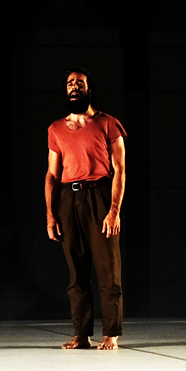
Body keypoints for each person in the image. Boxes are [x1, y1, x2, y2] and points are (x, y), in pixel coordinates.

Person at [44, 69, 127, 350]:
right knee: (76, 273)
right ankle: (81, 335)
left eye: (80, 83)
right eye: (70, 83)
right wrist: (51, 214)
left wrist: (113, 211)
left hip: (100, 196)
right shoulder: (56, 129)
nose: (74, 86)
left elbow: (120, 170)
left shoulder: (108, 124)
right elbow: (52, 174)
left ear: (89, 89)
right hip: (69, 199)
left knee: (108, 271)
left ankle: (111, 334)